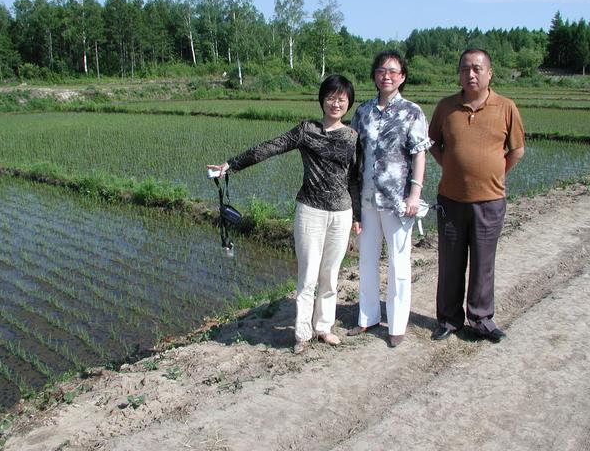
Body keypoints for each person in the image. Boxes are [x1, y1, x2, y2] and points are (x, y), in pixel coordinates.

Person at [207, 75, 359, 355]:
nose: (336, 103)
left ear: (348, 103)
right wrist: (232, 164)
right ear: (322, 99)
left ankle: (323, 327)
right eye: (331, 97)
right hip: (310, 211)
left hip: (341, 213)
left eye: (342, 99)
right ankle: (302, 333)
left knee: (330, 275)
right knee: (308, 275)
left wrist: (357, 215)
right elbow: (270, 147)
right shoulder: (306, 130)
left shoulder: (352, 137)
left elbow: (354, 179)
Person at [429, 48, 525, 343]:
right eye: (465, 69)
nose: (470, 74)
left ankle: (481, 319)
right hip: (451, 200)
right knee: (450, 263)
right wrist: (453, 167)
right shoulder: (446, 107)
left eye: (477, 69)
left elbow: (517, 150)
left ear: (489, 73)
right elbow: (432, 143)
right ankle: (449, 319)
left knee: (483, 262)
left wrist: (494, 174)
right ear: (458, 73)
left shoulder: (506, 107)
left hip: (490, 201)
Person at [347, 50, 431, 347]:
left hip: (397, 201)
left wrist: (415, 194)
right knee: (367, 261)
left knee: (398, 262)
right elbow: (353, 154)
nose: (387, 75)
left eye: (393, 71)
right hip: (368, 199)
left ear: (402, 77)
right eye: (382, 70)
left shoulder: (412, 112)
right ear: (375, 75)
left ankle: (396, 324)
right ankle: (366, 318)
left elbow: (419, 153)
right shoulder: (363, 111)